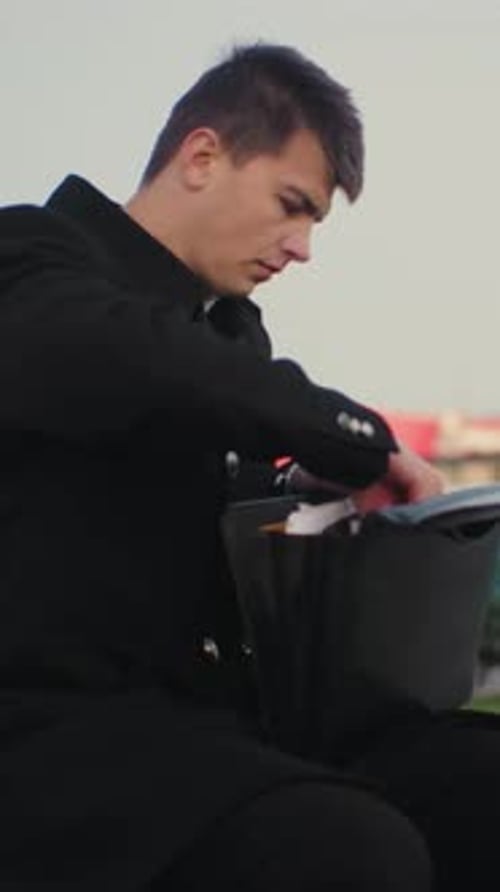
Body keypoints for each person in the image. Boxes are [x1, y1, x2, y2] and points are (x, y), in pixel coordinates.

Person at [0, 41, 498, 892]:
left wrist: (304, 493)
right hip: (56, 733)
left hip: (223, 725)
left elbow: (191, 470)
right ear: (202, 156)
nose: (301, 248)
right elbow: (129, 355)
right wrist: (358, 436)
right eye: (290, 205)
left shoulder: (230, 335)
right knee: (344, 849)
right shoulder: (31, 254)